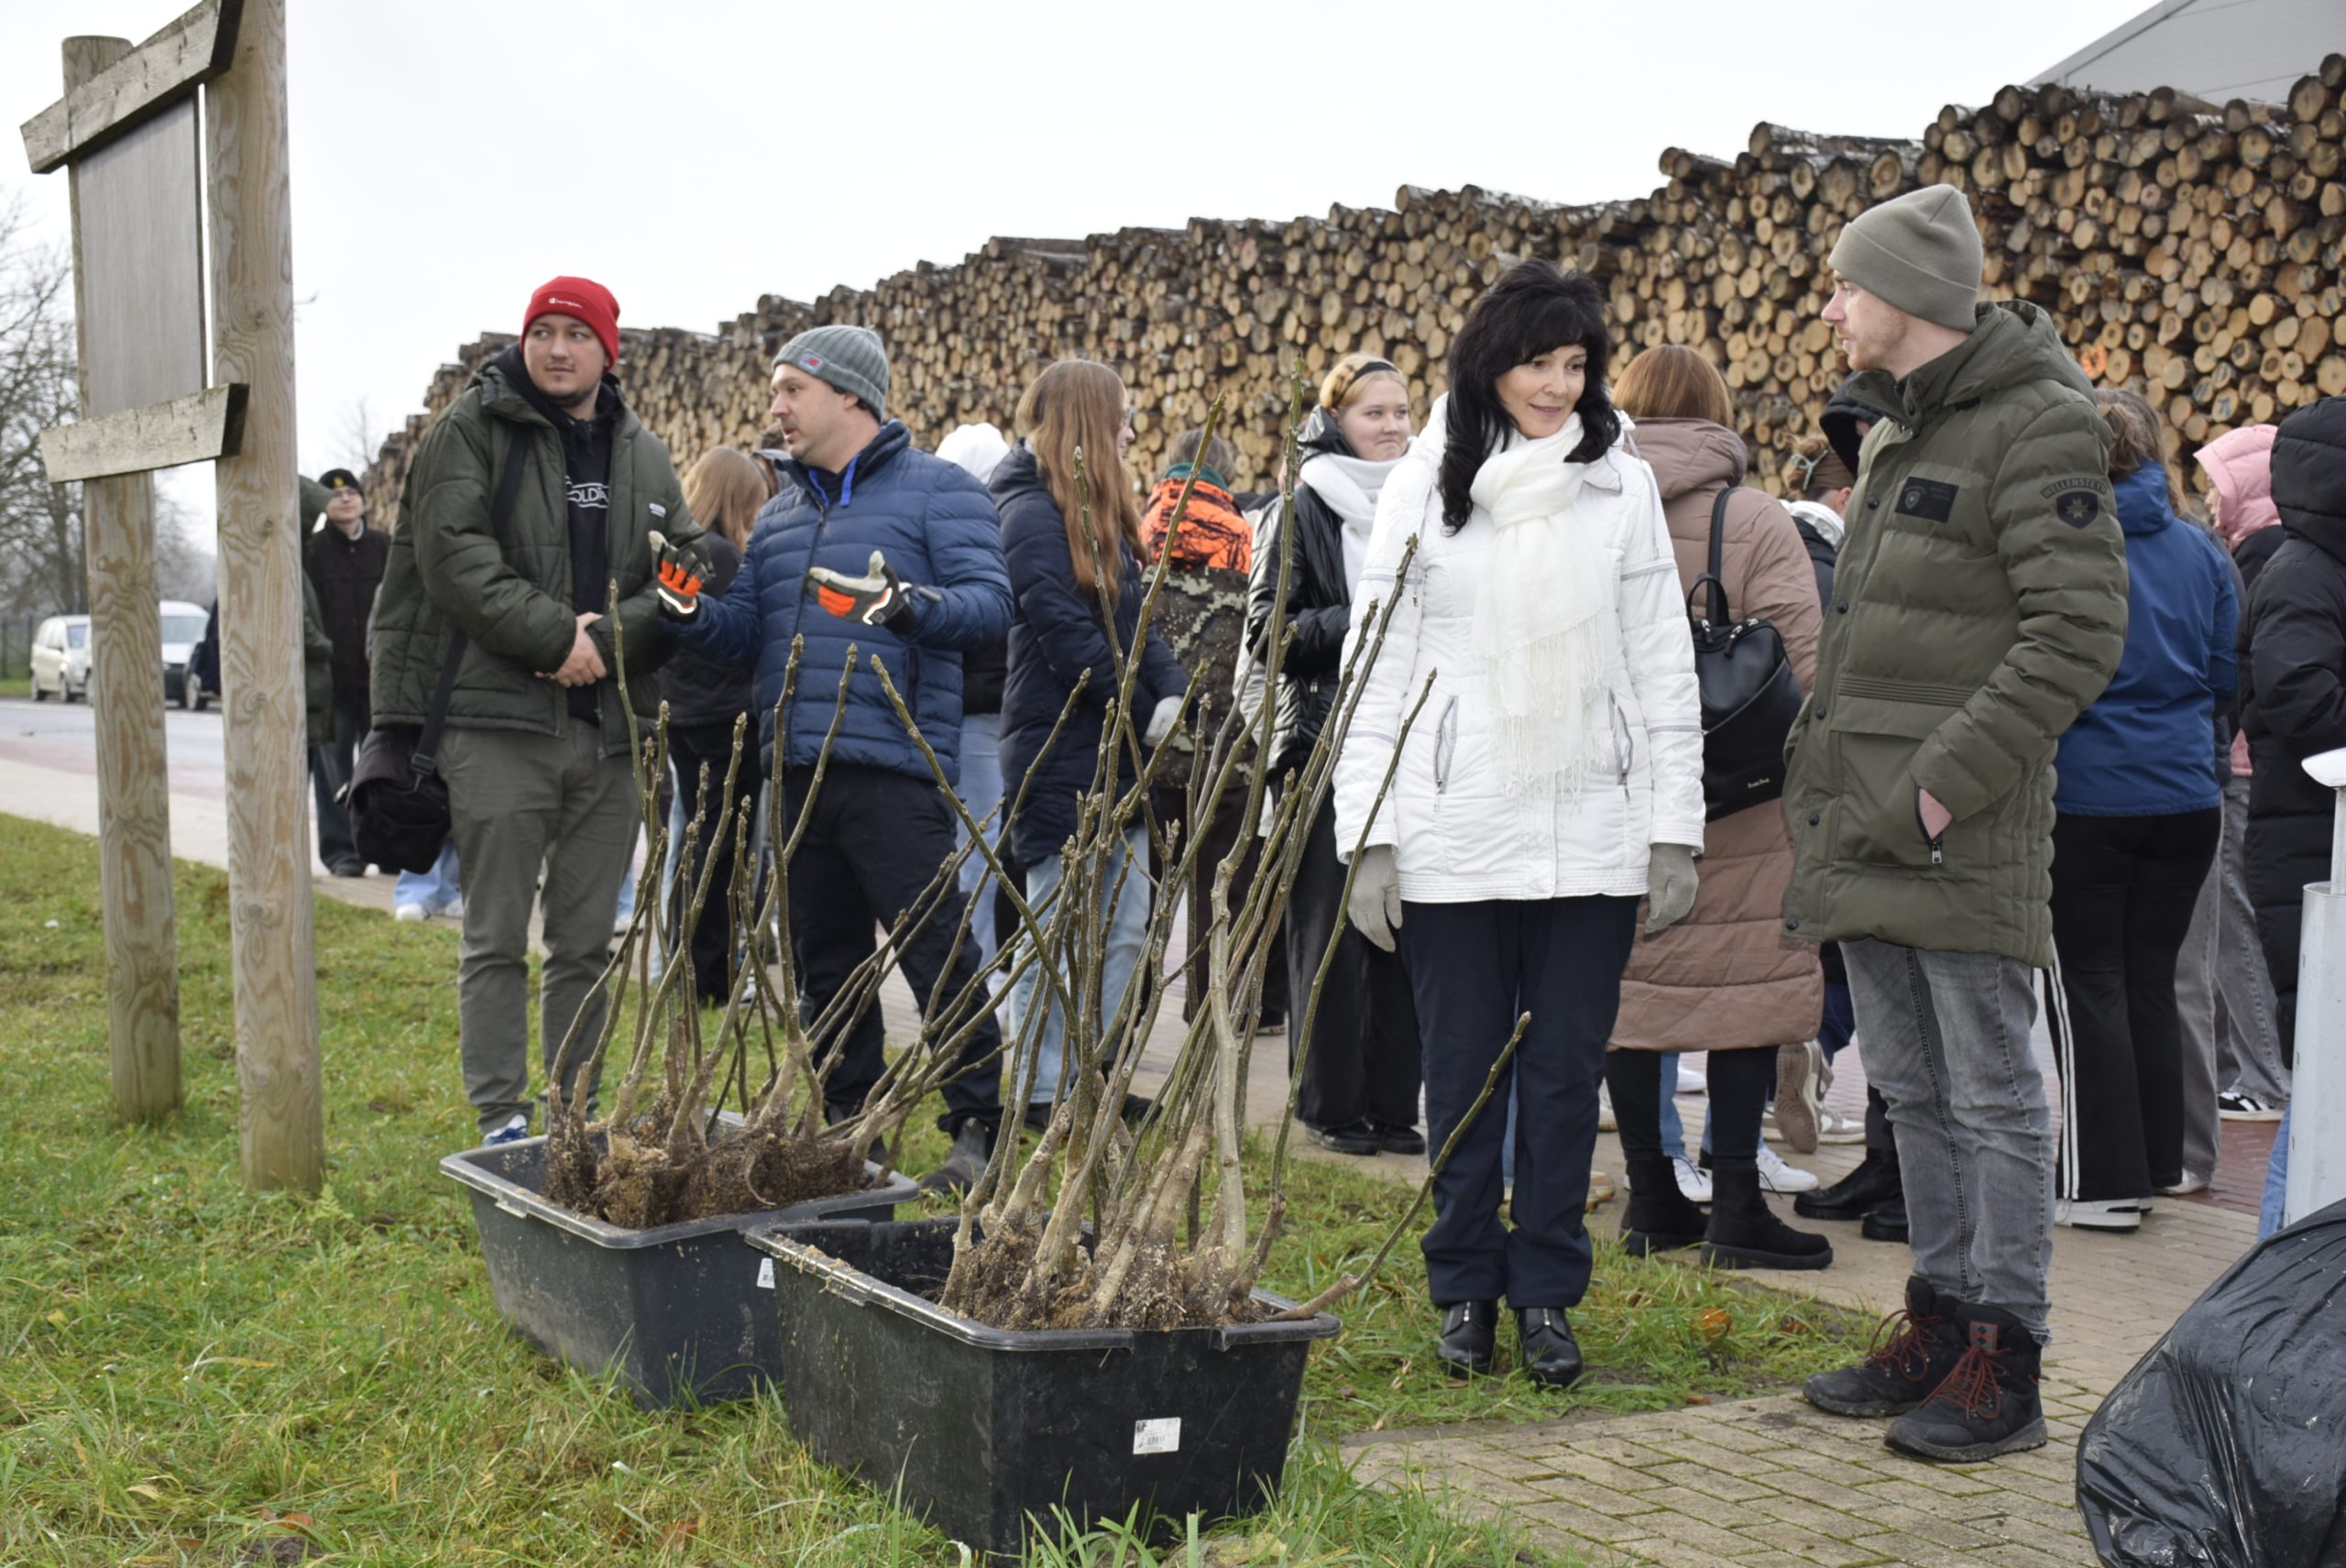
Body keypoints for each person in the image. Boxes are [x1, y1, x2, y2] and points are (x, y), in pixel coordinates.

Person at [1784, 187, 2129, 1462]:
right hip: (1862, 824)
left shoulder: (2039, 422)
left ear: (1910, 295)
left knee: (1992, 1095)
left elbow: (2077, 632)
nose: (1831, 308)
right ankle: (1936, 1326)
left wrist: (1938, 785)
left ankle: (2007, 1359)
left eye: (1847, 285)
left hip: (1957, 826)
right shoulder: (1892, 431)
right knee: (1911, 1090)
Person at [1334, 261, 1704, 1387]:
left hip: (1592, 828)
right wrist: (1368, 834)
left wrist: (1672, 826)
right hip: (1454, 829)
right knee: (1462, 1077)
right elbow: (1375, 663)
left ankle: (1546, 1293)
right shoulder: (1425, 483)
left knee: (1561, 1077)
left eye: (1575, 364)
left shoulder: (1618, 483)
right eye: (1537, 362)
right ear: (1489, 362)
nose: (1556, 385)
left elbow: (1661, 660)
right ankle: (1464, 1289)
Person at [657, 325, 1014, 1193]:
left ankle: (978, 1127)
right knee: (827, 963)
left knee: (936, 954)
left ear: (851, 394)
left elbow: (990, 605)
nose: (775, 406)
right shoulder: (781, 514)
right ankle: (852, 1123)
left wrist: (906, 605)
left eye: (792, 389)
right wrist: (687, 609)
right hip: (796, 771)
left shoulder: (940, 491)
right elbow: (745, 632)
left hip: (894, 766)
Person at [369, 276, 700, 1145]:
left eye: (577, 334)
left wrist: (610, 641)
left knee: (585, 943)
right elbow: (454, 557)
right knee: (494, 936)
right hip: (499, 726)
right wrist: (557, 638)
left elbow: (686, 566)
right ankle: (501, 1117)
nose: (558, 348)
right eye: (543, 331)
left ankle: (570, 1112)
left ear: (608, 351)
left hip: (612, 732)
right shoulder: (468, 431)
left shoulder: (645, 452)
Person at [1603, 345, 1829, 1270]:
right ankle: (1736, 1203)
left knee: (1628, 988)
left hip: (1619, 788)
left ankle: (1650, 1197)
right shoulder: (1755, 516)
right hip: (1743, 796)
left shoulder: (1589, 504)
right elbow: (1807, 665)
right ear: (1717, 415)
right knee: (1748, 989)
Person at [2041, 389, 2233, 1229]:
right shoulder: (2202, 548)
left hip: (2092, 791)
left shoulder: (2066, 542)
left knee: (2089, 981)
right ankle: (2158, 1160)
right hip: (2187, 793)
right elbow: (2225, 675)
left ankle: (2102, 1183)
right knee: (2150, 977)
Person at [992, 360, 1187, 1126]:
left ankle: (1093, 1076)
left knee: (1124, 927)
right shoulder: (1028, 513)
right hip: (1058, 749)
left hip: (1115, 751)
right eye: (1121, 418)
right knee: (1055, 928)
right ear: (1088, 423)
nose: (1131, 433)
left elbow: (1138, 621)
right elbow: (1070, 637)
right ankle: (1041, 1091)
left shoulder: (1099, 513)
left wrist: (1171, 689)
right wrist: (1142, 707)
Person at [1247, 355, 1424, 1156]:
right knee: (1330, 928)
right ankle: (1330, 1104)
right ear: (1336, 420)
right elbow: (1269, 633)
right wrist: (1367, 611)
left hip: (1411, 745)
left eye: (1401, 411)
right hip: (1323, 743)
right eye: (1373, 413)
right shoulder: (1302, 506)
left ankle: (1393, 1104)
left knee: (1402, 926)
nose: (1392, 426)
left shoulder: (1428, 502)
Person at [2237, 394, 2346, 1235]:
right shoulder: (2305, 573)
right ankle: (2279, 1264)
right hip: (2312, 852)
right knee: (2323, 1080)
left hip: (2316, 844)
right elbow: (2302, 696)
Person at [1140, 429, 1289, 1039]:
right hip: (1228, 743)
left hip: (1150, 740)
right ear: (1227, 470)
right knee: (1219, 891)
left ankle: (1125, 1015)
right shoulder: (1247, 536)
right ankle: (1207, 1017)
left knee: (1143, 892)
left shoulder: (1136, 528)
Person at [2190, 422, 2291, 1124]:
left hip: (2243, 761)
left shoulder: (2262, 555)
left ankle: (2264, 1076)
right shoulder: (2264, 550)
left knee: (2234, 919)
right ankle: (2241, 1069)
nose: (2207, 499)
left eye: (2217, 485)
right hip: (2249, 758)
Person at [659, 447, 768, 1002]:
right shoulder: (723, 555)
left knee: (697, 841)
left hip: (684, 712)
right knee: (722, 849)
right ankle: (708, 975)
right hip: (727, 718)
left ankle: (688, 966)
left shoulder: (680, 552)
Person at [936, 422, 1014, 995]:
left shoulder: (946, 529)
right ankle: (978, 986)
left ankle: (975, 980)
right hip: (983, 717)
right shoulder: (993, 532)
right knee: (982, 857)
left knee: (974, 856)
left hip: (963, 715)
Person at [305, 468, 389, 875]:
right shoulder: (312, 552)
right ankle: (342, 853)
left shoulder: (384, 546)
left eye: (352, 492)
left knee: (384, 769)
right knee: (333, 771)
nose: (345, 499)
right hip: (333, 682)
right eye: (335, 495)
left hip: (379, 680)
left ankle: (389, 849)